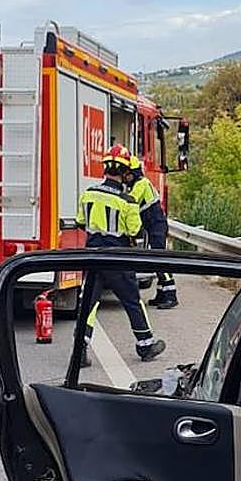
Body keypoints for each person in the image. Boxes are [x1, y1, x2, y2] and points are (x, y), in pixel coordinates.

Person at [75, 144, 166, 366]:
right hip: (118, 258)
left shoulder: (88, 194)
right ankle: (145, 344)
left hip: (93, 257)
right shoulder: (127, 201)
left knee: (89, 303)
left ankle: (80, 349)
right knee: (132, 301)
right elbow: (134, 231)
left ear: (104, 168)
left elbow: (80, 222)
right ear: (125, 173)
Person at [127, 155, 176, 309]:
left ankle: (170, 296)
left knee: (160, 261)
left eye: (127, 174)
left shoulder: (141, 184)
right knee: (157, 261)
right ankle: (162, 294)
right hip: (153, 227)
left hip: (156, 227)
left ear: (134, 173)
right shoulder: (139, 183)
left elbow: (131, 200)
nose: (125, 177)